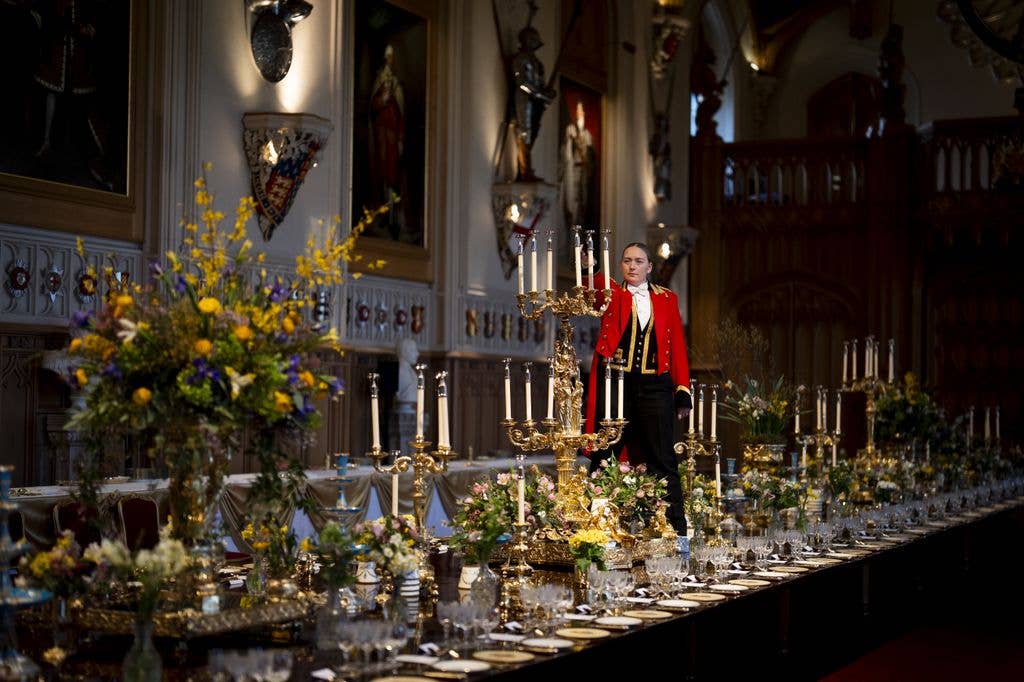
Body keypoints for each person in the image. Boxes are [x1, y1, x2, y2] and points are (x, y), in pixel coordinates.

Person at [584, 243, 692, 535]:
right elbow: (591, 292)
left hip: (656, 385)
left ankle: (675, 534)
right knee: (605, 456)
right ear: (620, 266)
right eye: (627, 261)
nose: (632, 266)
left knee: (663, 460)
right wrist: (588, 267)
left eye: (638, 261)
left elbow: (678, 348)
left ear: (649, 267)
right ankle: (595, 533)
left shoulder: (667, 298)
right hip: (616, 384)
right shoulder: (612, 293)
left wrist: (682, 389)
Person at [369, 43, 405, 239]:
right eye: (387, 57)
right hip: (381, 137)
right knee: (381, 175)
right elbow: (373, 107)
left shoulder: (397, 86)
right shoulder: (379, 83)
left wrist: (400, 139)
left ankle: (392, 216)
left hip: (392, 140)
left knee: (393, 177)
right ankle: (382, 213)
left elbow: (401, 115)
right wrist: (382, 100)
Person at [561, 100, 597, 230]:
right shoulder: (570, 129)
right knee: (573, 198)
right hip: (573, 169)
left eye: (581, 111)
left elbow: (591, 157)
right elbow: (566, 152)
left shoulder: (587, 135)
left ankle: (580, 225)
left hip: (584, 171)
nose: (579, 113)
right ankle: (573, 223)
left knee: (583, 200)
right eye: (577, 111)